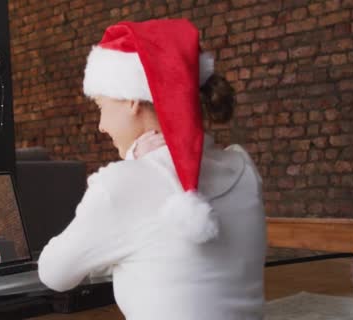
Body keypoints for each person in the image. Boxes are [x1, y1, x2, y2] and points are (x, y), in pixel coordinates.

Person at [37, 19, 266, 319]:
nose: (101, 125)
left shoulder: (119, 185)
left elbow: (54, 273)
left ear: (131, 100)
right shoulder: (244, 168)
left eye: (101, 107)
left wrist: (133, 168)